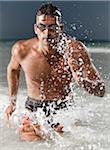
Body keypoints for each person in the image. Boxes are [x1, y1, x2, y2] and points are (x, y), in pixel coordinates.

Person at [5, 3, 105, 141]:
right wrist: (12, 102)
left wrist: (82, 81)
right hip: (34, 109)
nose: (47, 33)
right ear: (35, 29)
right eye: (42, 27)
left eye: (52, 27)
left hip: (65, 110)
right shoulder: (22, 50)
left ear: (60, 29)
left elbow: (101, 90)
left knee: (70, 142)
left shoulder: (74, 51)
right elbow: (13, 70)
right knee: (29, 142)